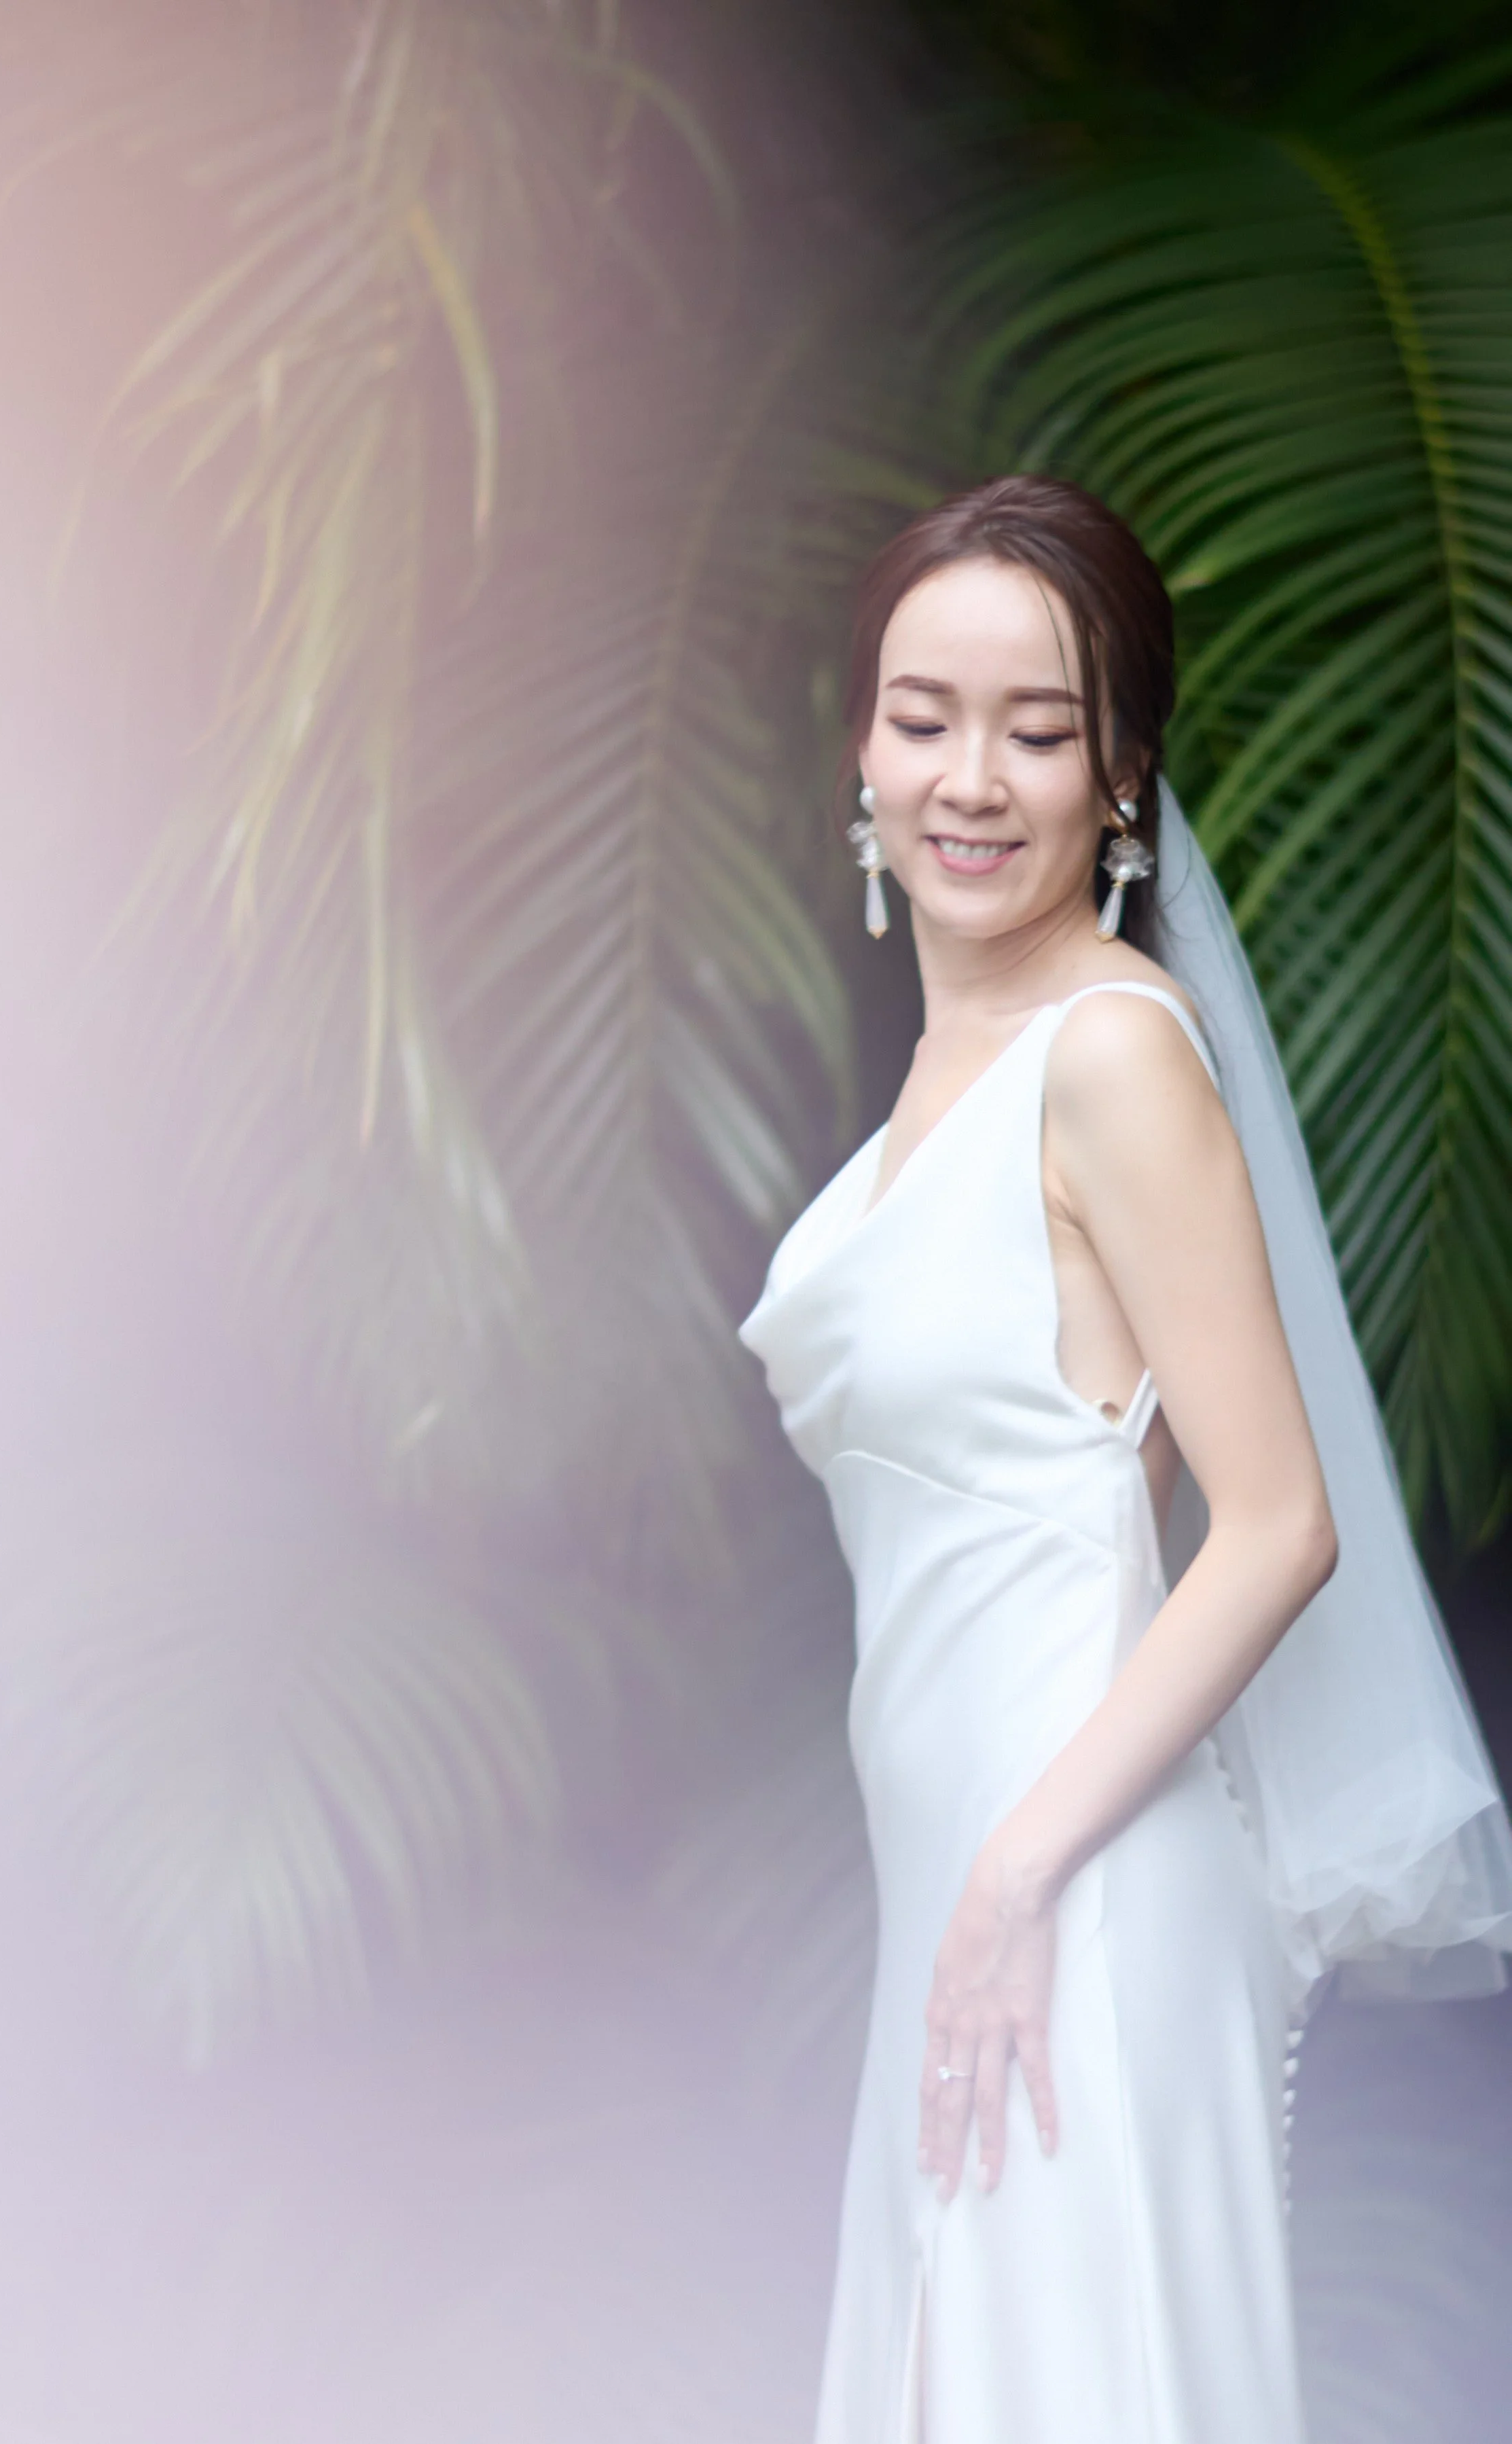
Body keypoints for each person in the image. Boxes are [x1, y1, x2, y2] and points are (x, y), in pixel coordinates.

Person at [738, 476, 1512, 2444]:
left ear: (1122, 777)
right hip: (974, 1895)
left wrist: (1015, 1872)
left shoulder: (1109, 1052)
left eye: (1040, 726)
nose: (971, 778)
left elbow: (1273, 1520)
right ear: (858, 750)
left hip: (1073, 1886)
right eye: (922, 717)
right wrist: (971, 1889)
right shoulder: (952, 1071)